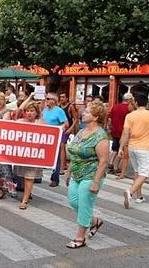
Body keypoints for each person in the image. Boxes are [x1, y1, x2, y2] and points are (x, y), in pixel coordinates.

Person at [65, 101, 110, 249]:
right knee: (73, 201)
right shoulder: (80, 131)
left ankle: (80, 238)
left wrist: (96, 182)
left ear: (96, 117)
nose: (83, 113)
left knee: (85, 205)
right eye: (84, 111)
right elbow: (75, 154)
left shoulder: (101, 136)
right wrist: (69, 171)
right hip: (76, 173)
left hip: (91, 175)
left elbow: (104, 161)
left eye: (87, 112)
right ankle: (94, 221)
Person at [118, 94, 149, 208]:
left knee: (137, 172)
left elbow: (125, 133)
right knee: (144, 173)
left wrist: (121, 148)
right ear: (147, 103)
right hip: (144, 148)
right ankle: (130, 192)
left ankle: (139, 196)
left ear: (136, 103)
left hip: (132, 147)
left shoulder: (130, 116)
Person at [14, 101, 45, 209]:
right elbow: (17, 111)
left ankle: (25, 200)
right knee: (23, 176)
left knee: (29, 177)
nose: (29, 113)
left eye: (32, 111)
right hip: (22, 155)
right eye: (27, 111)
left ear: (36, 112)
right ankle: (28, 193)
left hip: (34, 156)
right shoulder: (20, 121)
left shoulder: (41, 123)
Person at [42, 92, 69, 187]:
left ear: (54, 101)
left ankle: (55, 178)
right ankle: (37, 175)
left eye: (48, 99)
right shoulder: (45, 110)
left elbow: (66, 124)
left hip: (55, 137)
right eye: (46, 98)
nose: (46, 100)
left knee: (55, 158)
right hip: (44, 136)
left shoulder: (59, 111)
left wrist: (60, 128)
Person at [107, 93, 133, 178]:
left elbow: (110, 118)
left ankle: (110, 163)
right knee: (120, 150)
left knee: (115, 148)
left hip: (114, 130)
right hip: (123, 132)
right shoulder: (129, 109)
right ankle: (115, 167)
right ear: (129, 100)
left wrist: (110, 127)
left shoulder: (115, 106)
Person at [58, 92, 79, 174]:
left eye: (63, 97)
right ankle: (63, 164)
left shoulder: (70, 106)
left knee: (62, 145)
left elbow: (76, 119)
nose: (62, 99)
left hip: (67, 129)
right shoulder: (59, 106)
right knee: (60, 146)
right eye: (60, 97)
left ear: (67, 98)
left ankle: (62, 167)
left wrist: (71, 128)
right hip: (60, 128)